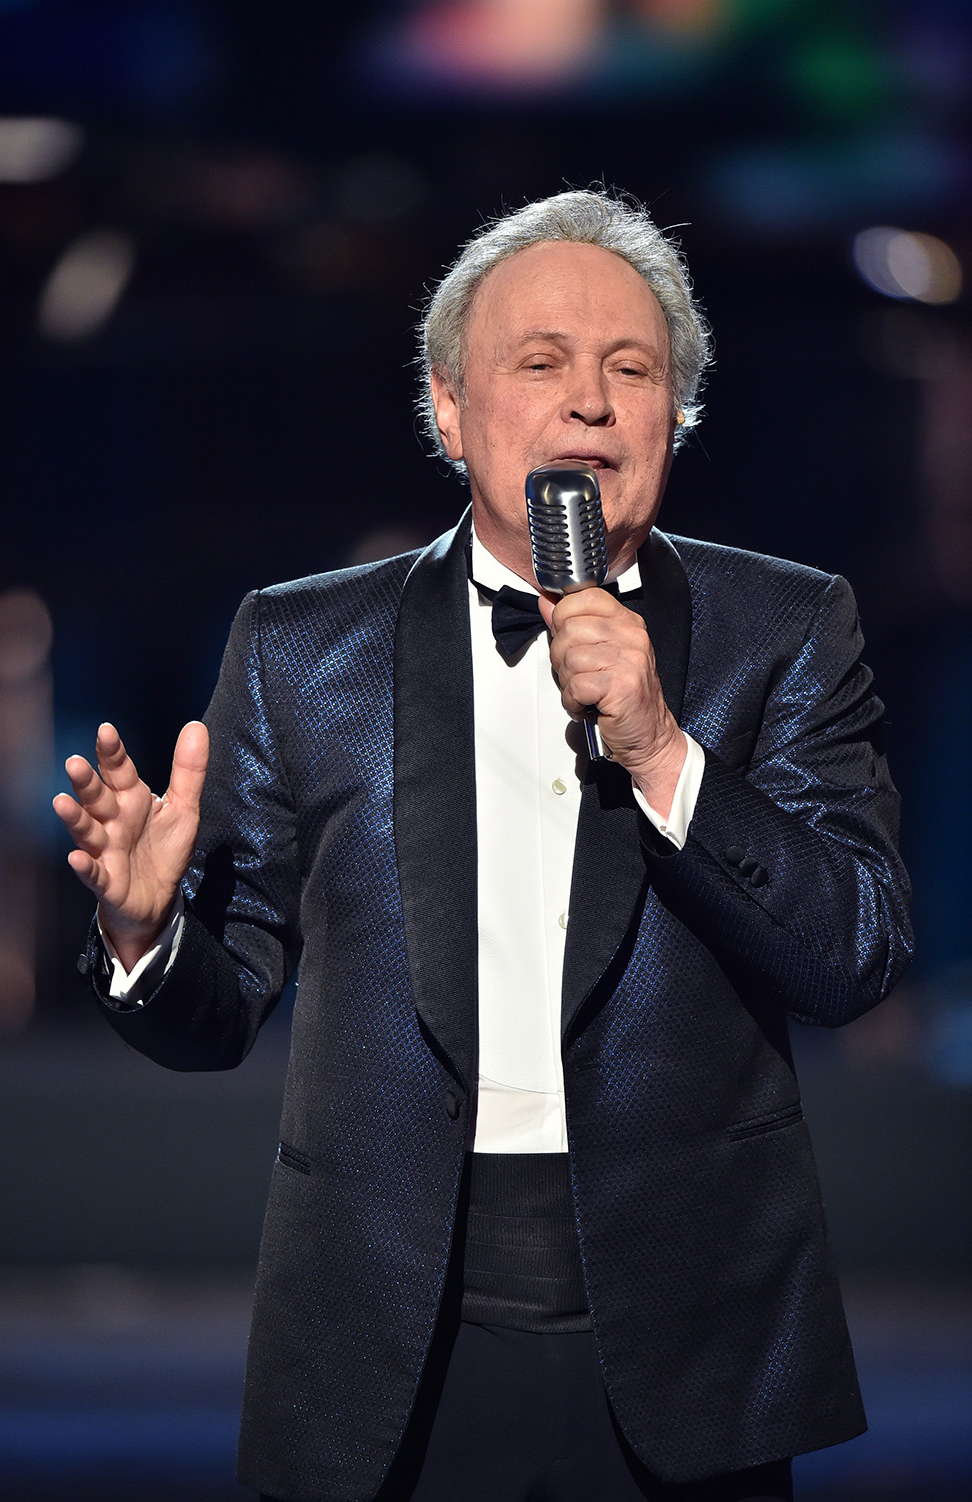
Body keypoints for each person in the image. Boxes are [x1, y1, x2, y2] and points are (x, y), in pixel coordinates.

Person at [54, 190, 912, 1502]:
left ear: (677, 411)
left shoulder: (785, 627)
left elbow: (854, 949)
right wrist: (141, 933)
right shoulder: (302, 649)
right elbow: (217, 1007)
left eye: (632, 370)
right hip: (387, 1323)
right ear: (447, 408)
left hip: (689, 1332)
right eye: (541, 362)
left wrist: (663, 749)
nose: (590, 402)